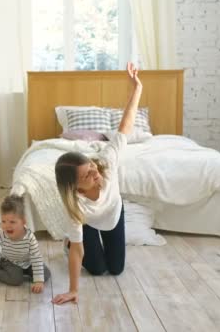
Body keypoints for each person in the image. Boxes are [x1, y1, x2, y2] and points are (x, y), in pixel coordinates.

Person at [52, 62, 142, 305]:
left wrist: (137, 89)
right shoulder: (75, 206)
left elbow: (124, 126)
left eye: (91, 167)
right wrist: (73, 290)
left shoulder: (107, 163)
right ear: (77, 188)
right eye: (86, 176)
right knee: (97, 269)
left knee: (115, 269)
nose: (94, 174)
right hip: (89, 223)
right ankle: (68, 239)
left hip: (112, 213)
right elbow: (77, 252)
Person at [0, 195, 50, 293]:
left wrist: (38, 281)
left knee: (45, 274)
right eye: (3, 221)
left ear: (23, 222)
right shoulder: (1, 234)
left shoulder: (30, 237)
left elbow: (36, 257)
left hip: (28, 262)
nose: (7, 226)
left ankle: (27, 272)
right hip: (9, 262)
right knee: (16, 280)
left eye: (12, 222)